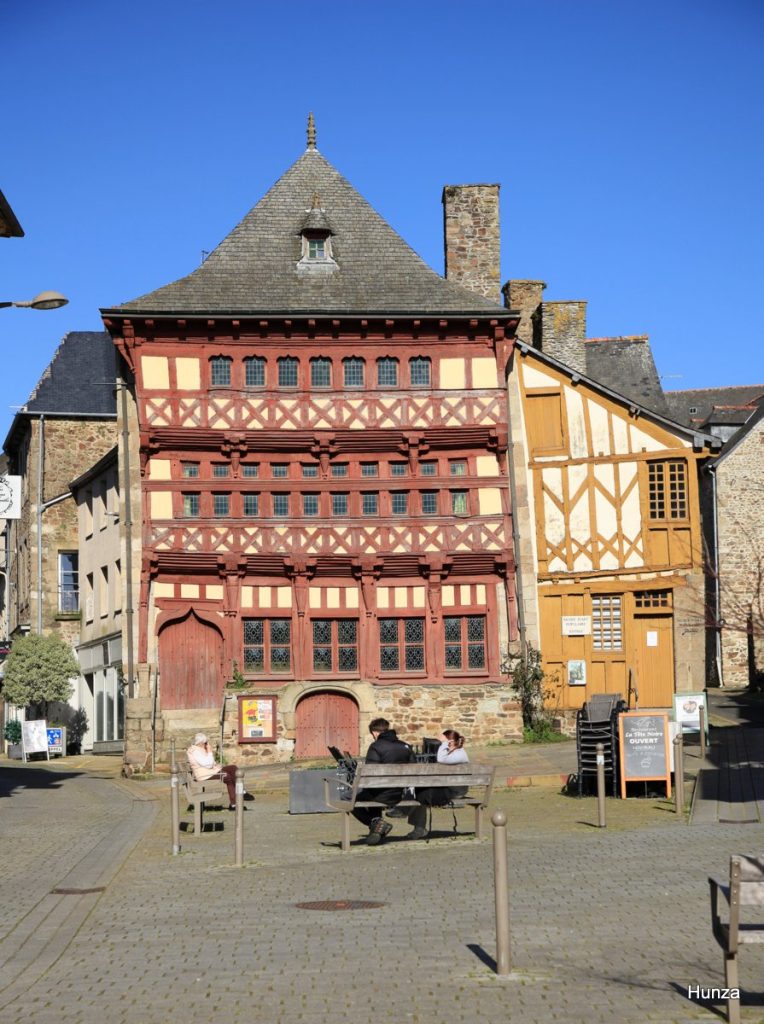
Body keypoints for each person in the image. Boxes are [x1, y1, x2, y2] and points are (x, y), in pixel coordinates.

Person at [352, 718, 414, 845]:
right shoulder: (405, 746)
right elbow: (415, 768)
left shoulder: (376, 746)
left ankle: (375, 822)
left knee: (350, 799)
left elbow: (370, 773)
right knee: (372, 793)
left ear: (375, 733)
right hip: (401, 793)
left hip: (382, 794)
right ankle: (377, 828)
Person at [406, 728, 468, 839]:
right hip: (448, 787)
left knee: (421, 795)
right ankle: (418, 828)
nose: (440, 745)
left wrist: (444, 744)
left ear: (450, 742)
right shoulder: (452, 753)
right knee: (420, 792)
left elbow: (441, 759)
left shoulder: (459, 754)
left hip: (456, 790)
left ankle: (418, 827)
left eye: (442, 742)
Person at [186, 733, 252, 811]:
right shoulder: (195, 751)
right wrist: (210, 752)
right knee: (227, 777)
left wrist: (210, 755)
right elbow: (208, 765)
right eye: (206, 743)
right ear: (201, 743)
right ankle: (233, 804)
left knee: (233, 768)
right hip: (205, 775)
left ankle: (241, 791)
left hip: (210, 772)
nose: (207, 744)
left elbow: (209, 764)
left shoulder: (200, 749)